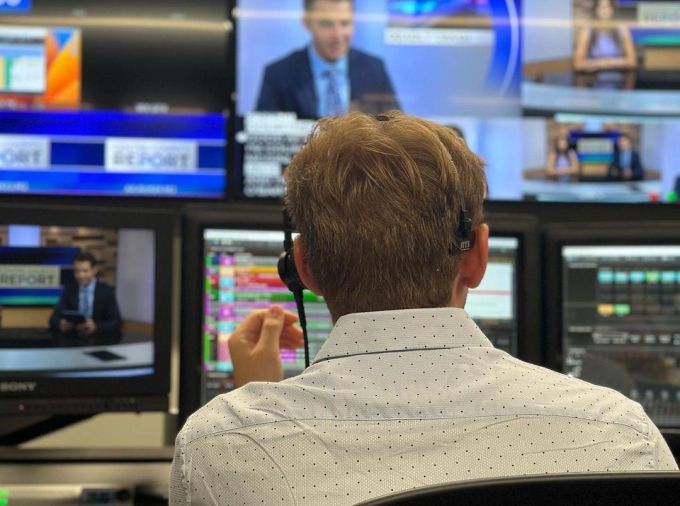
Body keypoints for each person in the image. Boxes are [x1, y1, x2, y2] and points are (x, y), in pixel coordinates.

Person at [170, 112, 677, 505]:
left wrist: (259, 403)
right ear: (477, 257)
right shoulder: (618, 435)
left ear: (303, 267)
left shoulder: (220, 447)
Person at [255, 0, 399, 119]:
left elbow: (396, 130)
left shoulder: (374, 69)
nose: (337, 35)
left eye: (344, 23)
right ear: (306, 23)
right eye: (326, 24)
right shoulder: (278, 74)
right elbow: (262, 139)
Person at [49, 252, 122, 343]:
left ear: (94, 270)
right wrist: (60, 324)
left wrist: (96, 327)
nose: (80, 275)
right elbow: (53, 319)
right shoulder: (69, 290)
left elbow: (116, 321)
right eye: (77, 271)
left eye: (85, 271)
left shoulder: (106, 291)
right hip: (72, 341)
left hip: (99, 342)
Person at [573, 0, 637, 76]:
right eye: (601, 7)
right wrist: (602, 63)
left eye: (607, 7)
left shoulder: (622, 28)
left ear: (613, 10)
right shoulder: (587, 29)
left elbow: (632, 62)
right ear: (596, 10)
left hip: (619, 78)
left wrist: (609, 62)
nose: (604, 11)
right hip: (593, 78)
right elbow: (578, 64)